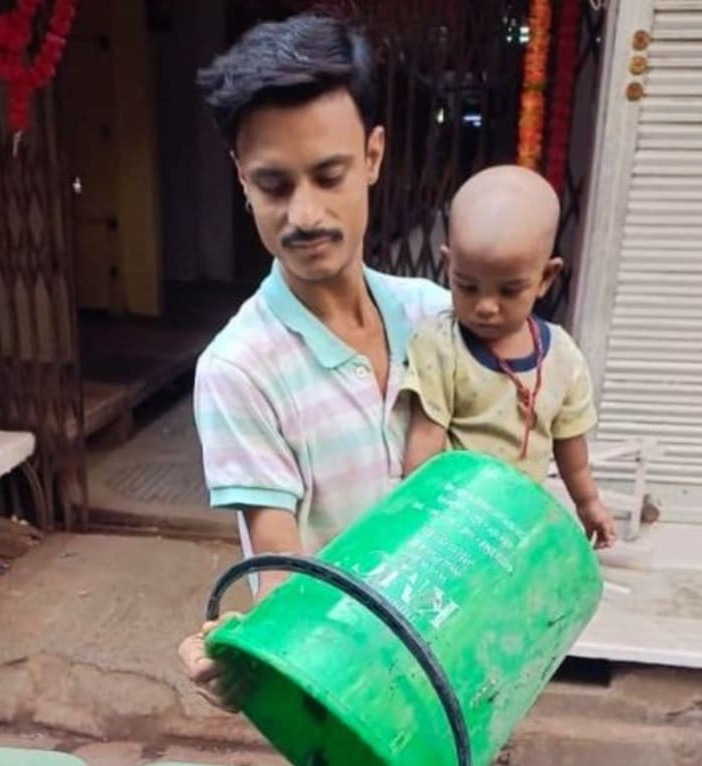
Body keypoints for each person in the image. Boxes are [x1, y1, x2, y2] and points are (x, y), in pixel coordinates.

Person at [178, 14, 449, 696]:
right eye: (273, 185)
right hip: (346, 700)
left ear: (374, 157)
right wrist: (254, 658)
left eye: (330, 175)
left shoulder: (435, 317)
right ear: (241, 180)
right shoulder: (240, 370)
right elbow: (280, 569)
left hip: (463, 666)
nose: (303, 213)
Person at [403, 165, 616, 548]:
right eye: (467, 286)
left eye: (509, 290)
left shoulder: (563, 357)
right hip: (453, 520)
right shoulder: (441, 345)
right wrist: (415, 516)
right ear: (448, 265)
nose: (485, 306)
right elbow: (424, 439)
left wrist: (588, 503)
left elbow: (571, 445)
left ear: (546, 278)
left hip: (519, 521)